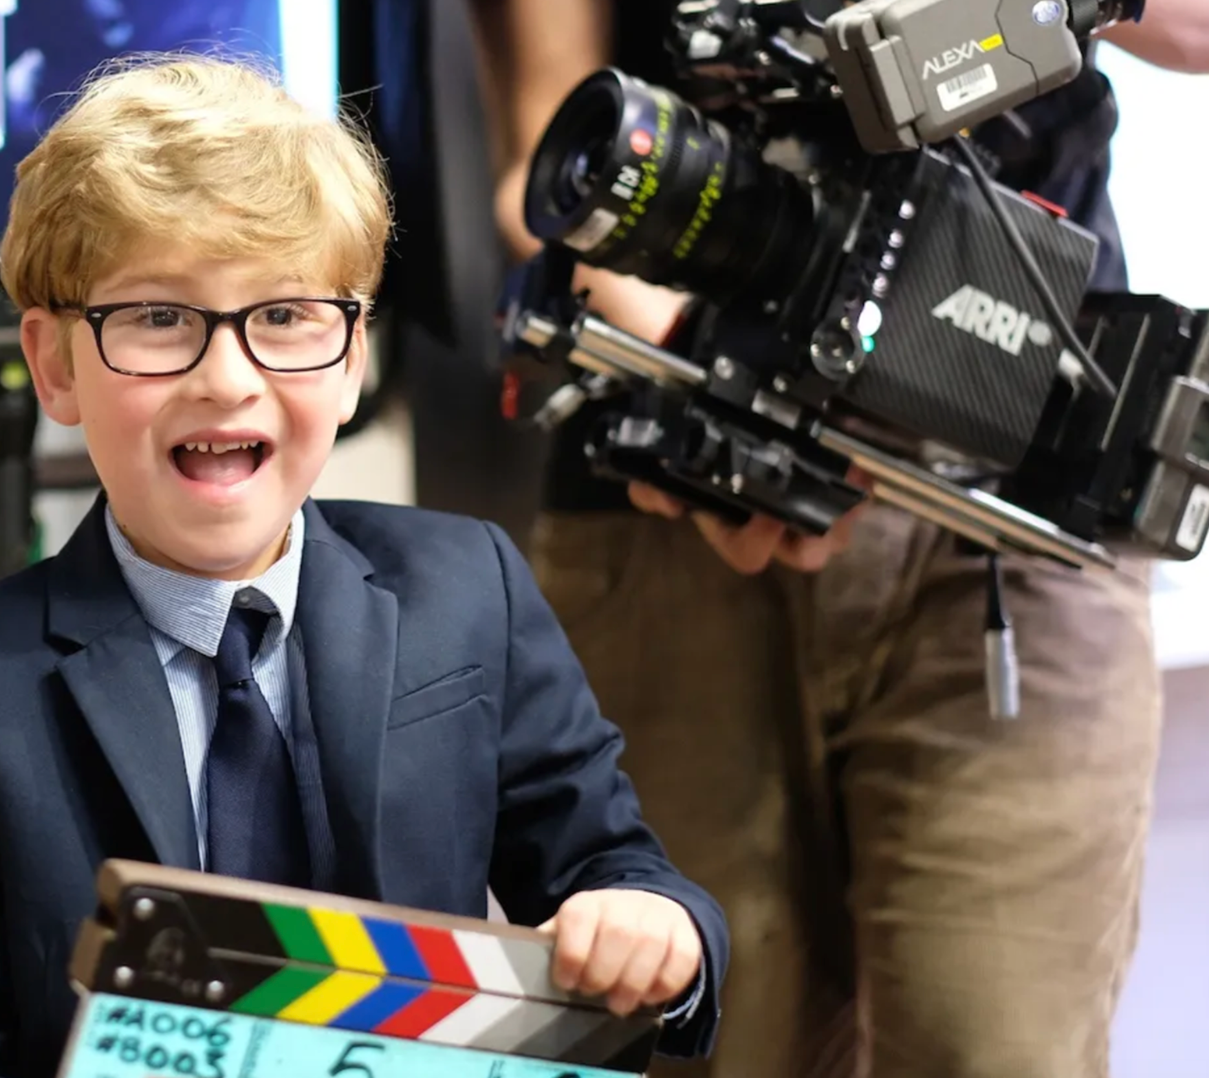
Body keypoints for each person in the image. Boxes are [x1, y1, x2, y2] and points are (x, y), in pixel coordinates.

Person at [0, 53, 730, 1078]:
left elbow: (614, 867)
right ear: (54, 363)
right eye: (157, 317)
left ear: (352, 358)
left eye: (283, 316)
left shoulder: (468, 590)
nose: (227, 380)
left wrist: (656, 925)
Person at [466, 1, 1209, 1075]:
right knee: (699, 1043)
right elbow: (549, 157)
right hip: (672, 502)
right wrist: (730, 390)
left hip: (1018, 491)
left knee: (999, 1046)